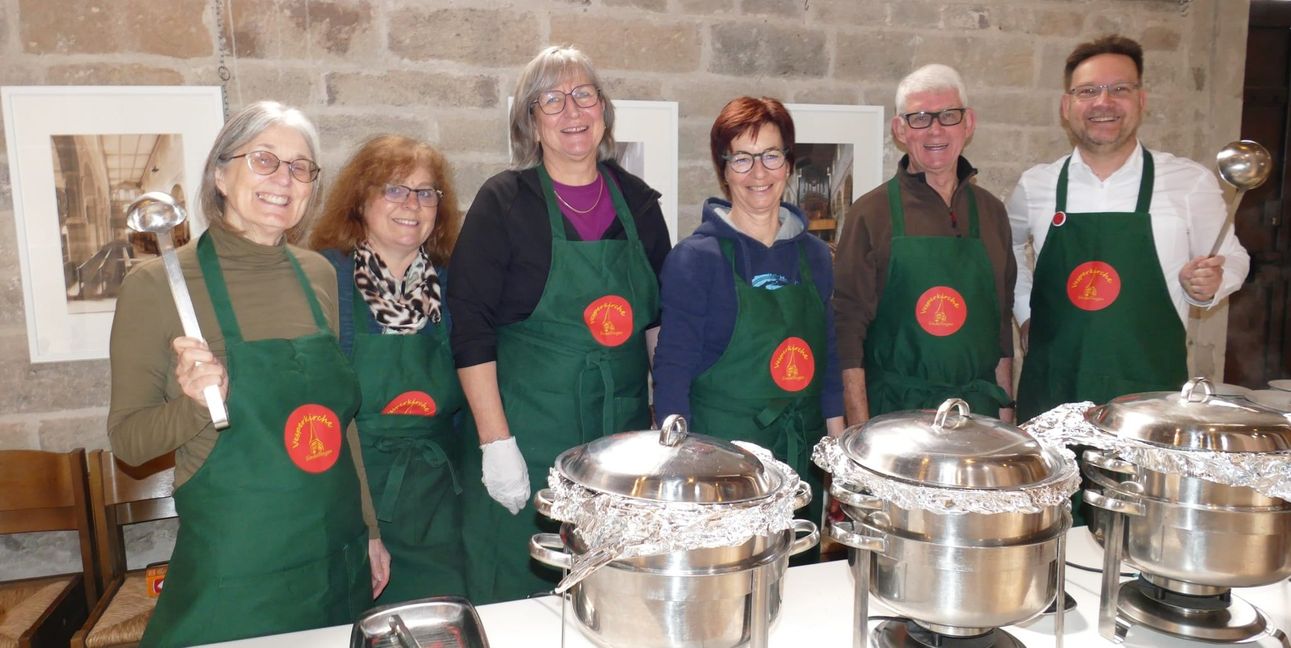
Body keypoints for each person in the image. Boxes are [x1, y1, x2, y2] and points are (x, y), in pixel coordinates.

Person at [107, 101, 388, 646]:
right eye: (264, 160)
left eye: (301, 167)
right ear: (220, 174)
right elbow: (129, 443)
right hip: (237, 574)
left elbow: (339, 422)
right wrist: (194, 405)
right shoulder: (156, 286)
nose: (284, 179)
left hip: (335, 558)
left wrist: (371, 530)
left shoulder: (318, 274)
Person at [447, 45, 672, 604]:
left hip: (619, 446)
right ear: (531, 121)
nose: (572, 111)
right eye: (551, 100)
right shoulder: (504, 203)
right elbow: (470, 328)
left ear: (604, 110)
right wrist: (496, 443)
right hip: (529, 439)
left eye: (583, 95)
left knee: (612, 597)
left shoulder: (639, 204)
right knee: (522, 598)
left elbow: (657, 325)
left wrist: (665, 423)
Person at [1009, 35, 1250, 420]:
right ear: (1066, 106)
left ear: (1141, 100)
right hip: (1053, 390)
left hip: (1149, 398)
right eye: (1088, 91)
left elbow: (1233, 257)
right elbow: (1006, 250)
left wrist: (1212, 285)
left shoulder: (1189, 182)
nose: (1103, 102)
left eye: (1119, 89)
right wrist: (1025, 312)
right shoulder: (1036, 185)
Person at [654, 96, 843, 537]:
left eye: (771, 156)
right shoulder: (695, 259)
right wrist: (675, 469)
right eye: (742, 158)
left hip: (800, 459)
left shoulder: (816, 257)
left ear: (788, 164)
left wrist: (837, 463)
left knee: (798, 569)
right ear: (724, 170)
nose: (759, 173)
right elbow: (672, 371)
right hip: (720, 465)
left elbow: (829, 363)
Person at [309, 135, 466, 603]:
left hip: (438, 501)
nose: (411, 205)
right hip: (354, 491)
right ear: (361, 200)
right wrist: (360, 521)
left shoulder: (454, 282)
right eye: (394, 189)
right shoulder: (326, 278)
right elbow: (317, 405)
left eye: (425, 192)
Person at [835, 64, 1016, 424]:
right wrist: (857, 431)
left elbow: (1000, 328)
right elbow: (847, 333)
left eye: (948, 115)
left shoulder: (992, 213)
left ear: (968, 123)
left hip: (977, 416)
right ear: (900, 129)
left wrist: (1007, 415)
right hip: (895, 415)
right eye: (919, 118)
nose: (935, 129)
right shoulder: (870, 214)